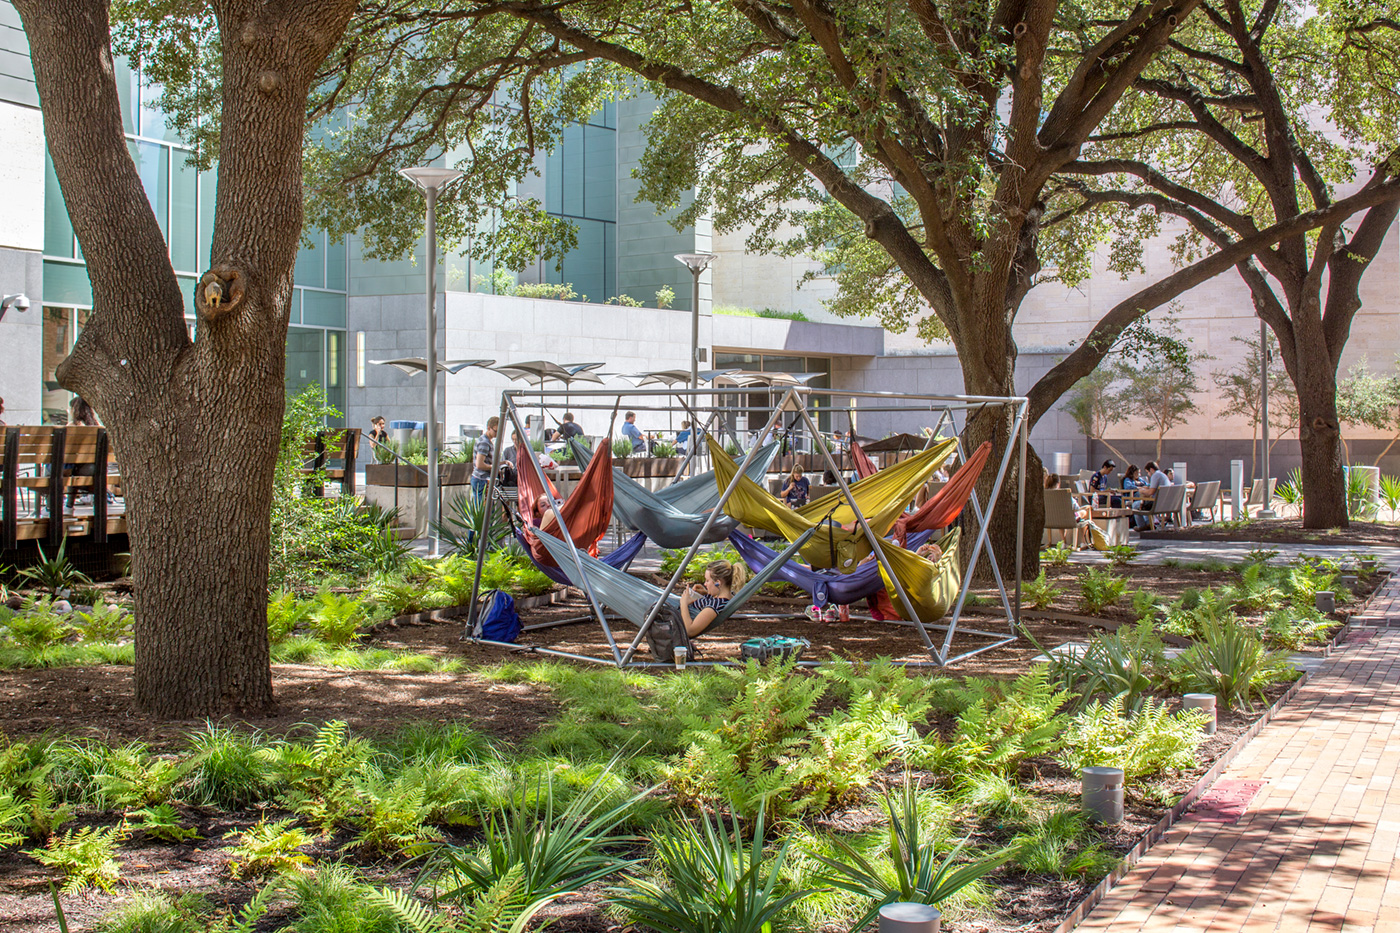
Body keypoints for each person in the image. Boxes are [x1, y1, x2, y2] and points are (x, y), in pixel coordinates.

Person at [679, 559, 747, 638]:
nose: (705, 584)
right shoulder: (728, 596)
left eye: (707, 580)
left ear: (718, 583)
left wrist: (683, 603)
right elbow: (719, 596)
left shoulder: (713, 607)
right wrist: (706, 593)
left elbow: (690, 631)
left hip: (672, 616)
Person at [472, 416, 499, 501]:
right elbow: (479, 465)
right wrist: (494, 467)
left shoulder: (485, 440)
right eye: (495, 431)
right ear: (488, 428)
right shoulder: (484, 442)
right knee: (484, 509)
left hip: (481, 478)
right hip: (482, 479)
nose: (497, 434)